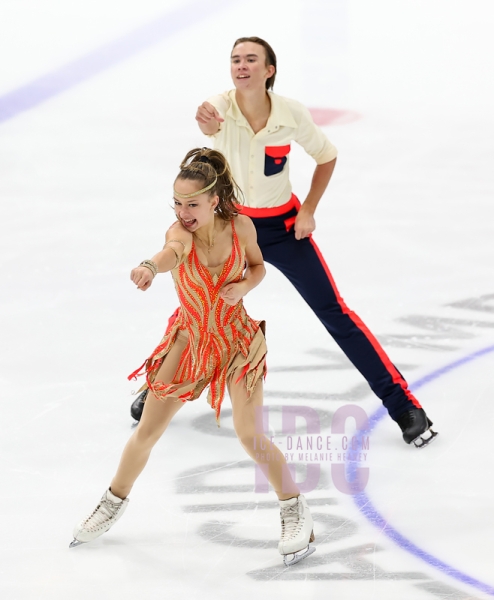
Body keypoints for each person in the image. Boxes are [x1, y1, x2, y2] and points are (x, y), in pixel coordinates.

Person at [131, 37, 437, 448]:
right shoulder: (220, 106)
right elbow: (209, 116)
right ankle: (157, 389)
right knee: (194, 311)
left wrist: (309, 208)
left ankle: (404, 406)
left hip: (282, 228)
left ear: (269, 70)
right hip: (231, 229)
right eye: (235, 59)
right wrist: (206, 122)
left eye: (251, 59)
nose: (241, 65)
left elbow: (326, 155)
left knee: (335, 313)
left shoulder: (291, 114)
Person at [70, 148, 315, 567]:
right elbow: (171, 252)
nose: (183, 212)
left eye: (192, 204)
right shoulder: (179, 232)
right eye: (178, 203)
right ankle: (112, 502)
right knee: (146, 432)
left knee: (249, 433)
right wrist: (149, 266)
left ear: (214, 200)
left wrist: (244, 289)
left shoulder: (242, 227)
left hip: (236, 341)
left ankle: (295, 510)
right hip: (189, 343)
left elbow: (258, 268)